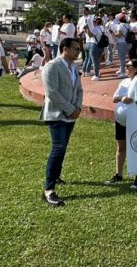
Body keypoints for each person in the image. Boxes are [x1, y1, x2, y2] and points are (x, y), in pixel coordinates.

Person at [40, 37, 84, 207]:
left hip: (71, 114)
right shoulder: (52, 66)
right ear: (64, 48)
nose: (78, 51)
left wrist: (78, 107)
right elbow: (52, 92)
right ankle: (49, 189)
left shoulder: (74, 67)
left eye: (79, 48)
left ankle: (56, 176)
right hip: (57, 114)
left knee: (63, 147)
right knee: (58, 148)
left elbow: (79, 90)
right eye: (75, 48)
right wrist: (70, 109)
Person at [105, 59, 137, 189]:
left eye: (128, 66)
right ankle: (118, 175)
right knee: (121, 148)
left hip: (136, 121)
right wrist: (122, 98)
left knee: (136, 148)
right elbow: (114, 98)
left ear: (136, 69)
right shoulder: (124, 81)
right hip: (121, 120)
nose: (126, 67)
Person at [82, 16, 104, 81]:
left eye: (93, 22)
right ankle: (97, 73)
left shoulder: (96, 29)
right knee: (97, 61)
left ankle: (96, 75)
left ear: (95, 22)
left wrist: (87, 28)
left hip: (94, 46)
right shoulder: (102, 28)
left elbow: (90, 35)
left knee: (94, 62)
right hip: (101, 46)